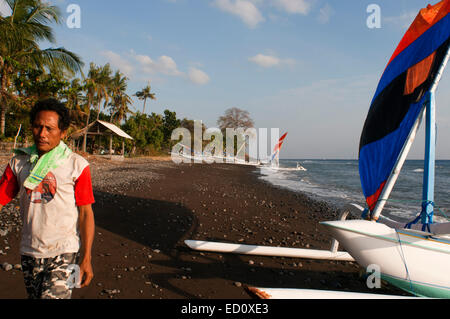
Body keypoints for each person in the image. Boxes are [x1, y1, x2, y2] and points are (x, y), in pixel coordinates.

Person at [0, 98, 95, 299]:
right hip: (29, 251)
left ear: (63, 133)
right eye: (37, 126)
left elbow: (86, 212)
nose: (42, 134)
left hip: (66, 251)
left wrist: (86, 257)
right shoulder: (19, 162)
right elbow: (1, 198)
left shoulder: (77, 165)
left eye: (49, 129)